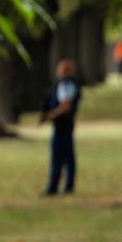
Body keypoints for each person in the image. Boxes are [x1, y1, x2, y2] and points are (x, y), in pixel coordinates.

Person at [40, 59, 81, 196]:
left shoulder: (65, 85)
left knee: (57, 156)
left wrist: (52, 114)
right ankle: (68, 186)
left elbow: (65, 105)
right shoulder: (71, 84)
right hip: (68, 125)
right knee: (68, 156)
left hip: (62, 125)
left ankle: (53, 187)